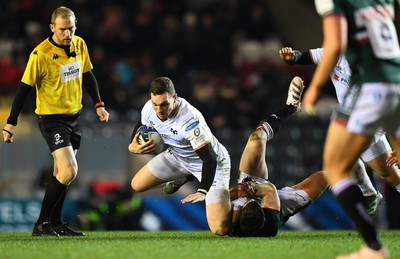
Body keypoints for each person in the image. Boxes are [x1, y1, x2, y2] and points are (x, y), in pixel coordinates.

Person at [302, 1, 400, 258]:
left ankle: (374, 248)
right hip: (395, 80)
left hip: (369, 87)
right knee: (392, 173)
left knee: (335, 168)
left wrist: (314, 89)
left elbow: (334, 45)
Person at [2, 6, 109, 236]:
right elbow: (23, 90)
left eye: (71, 28)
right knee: (69, 171)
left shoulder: (79, 44)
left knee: (62, 174)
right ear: (52, 28)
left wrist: (99, 104)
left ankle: (56, 223)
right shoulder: (40, 54)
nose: (67, 34)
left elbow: (88, 75)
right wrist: (11, 122)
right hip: (51, 119)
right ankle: (41, 224)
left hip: (74, 117)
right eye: (62, 30)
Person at [279, 46, 400, 211]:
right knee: (391, 177)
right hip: (353, 120)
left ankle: (369, 194)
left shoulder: (378, 64)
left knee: (340, 153)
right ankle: (370, 195)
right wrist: (291, 57)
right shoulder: (335, 52)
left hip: (374, 120)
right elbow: (303, 57)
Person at [128, 76, 231, 236]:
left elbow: (209, 158)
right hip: (177, 156)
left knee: (220, 229)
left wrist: (202, 191)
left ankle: (240, 203)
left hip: (212, 163)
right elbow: (141, 126)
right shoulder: (149, 108)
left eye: (164, 104)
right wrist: (132, 146)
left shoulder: (189, 120)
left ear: (174, 98)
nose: (159, 110)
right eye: (155, 104)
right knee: (137, 185)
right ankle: (185, 176)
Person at [228, 76, 329, 237]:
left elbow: (221, 196)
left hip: (250, 186)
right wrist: (253, 190)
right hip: (278, 203)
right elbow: (270, 190)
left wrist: (234, 191)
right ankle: (356, 169)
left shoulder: (229, 222)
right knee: (328, 176)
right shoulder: (271, 222)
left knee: (256, 138)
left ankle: (290, 108)